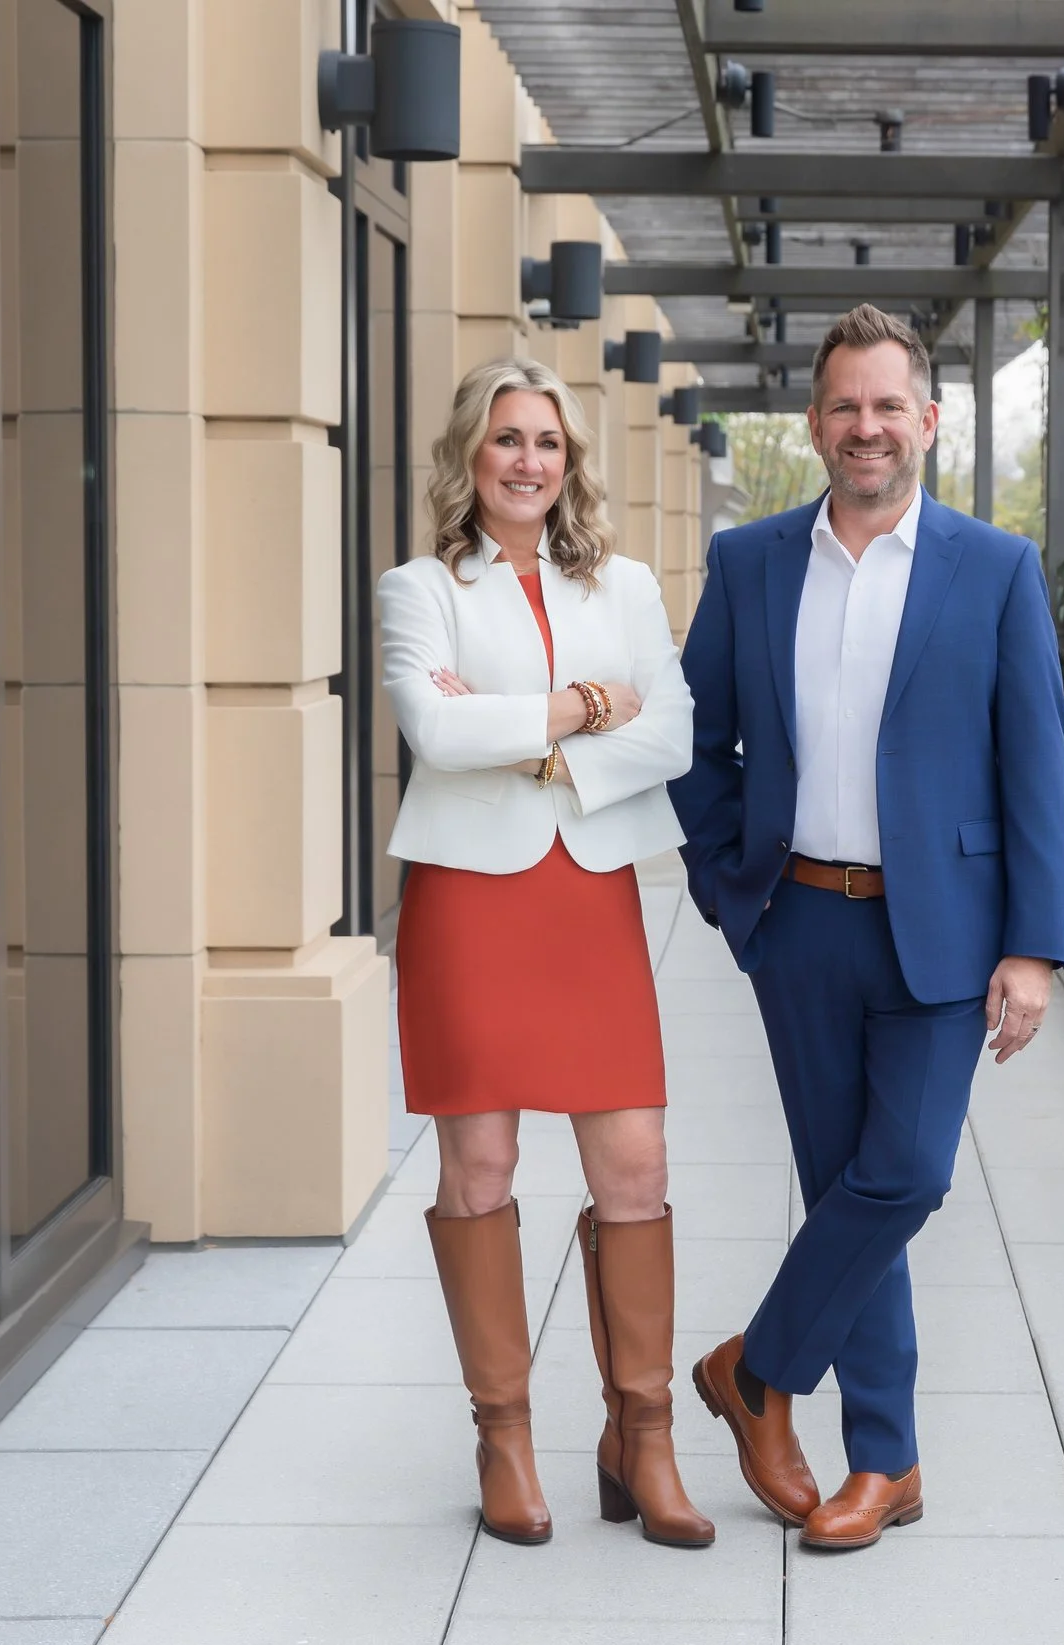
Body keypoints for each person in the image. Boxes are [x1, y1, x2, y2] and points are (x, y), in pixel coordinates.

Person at [671, 305, 1064, 1550]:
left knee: (903, 1173)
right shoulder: (748, 564)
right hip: (799, 922)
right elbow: (699, 744)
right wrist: (731, 892)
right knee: (850, 1186)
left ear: (928, 421)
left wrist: (1034, 944)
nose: (865, 426)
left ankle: (756, 1367)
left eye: (887, 405)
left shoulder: (994, 568)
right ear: (813, 423)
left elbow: (1037, 765)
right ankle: (885, 1462)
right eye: (844, 405)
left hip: (944, 932)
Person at [380, 358, 712, 1550]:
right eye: (507, 440)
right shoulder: (418, 588)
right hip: (468, 902)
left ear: (570, 463)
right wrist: (582, 708)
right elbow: (431, 726)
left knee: (634, 1159)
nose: (530, 462)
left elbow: (671, 727)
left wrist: (520, 733)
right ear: (469, 455)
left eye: (549, 444)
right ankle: (504, 1432)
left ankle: (643, 1432)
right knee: (479, 1164)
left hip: (589, 899)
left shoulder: (622, 585)